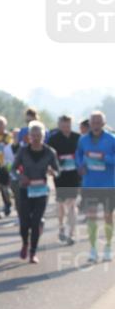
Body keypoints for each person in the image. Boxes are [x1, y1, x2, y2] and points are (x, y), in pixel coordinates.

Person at [12, 121, 60, 264]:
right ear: (29, 137)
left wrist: (53, 172)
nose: (36, 138)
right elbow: (12, 170)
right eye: (33, 135)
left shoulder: (50, 152)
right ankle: (25, 243)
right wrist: (21, 177)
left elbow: (58, 171)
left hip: (41, 190)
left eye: (39, 135)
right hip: (25, 189)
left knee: (36, 222)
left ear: (44, 136)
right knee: (24, 222)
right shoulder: (23, 151)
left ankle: (33, 252)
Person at [76, 111, 115, 263]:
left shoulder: (112, 139)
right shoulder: (83, 140)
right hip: (90, 183)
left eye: (99, 122)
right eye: (93, 122)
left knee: (108, 217)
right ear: (90, 124)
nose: (96, 125)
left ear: (104, 124)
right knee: (91, 217)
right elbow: (78, 155)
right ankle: (93, 249)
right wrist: (80, 166)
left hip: (108, 185)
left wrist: (105, 158)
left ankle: (108, 247)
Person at [47, 115, 81, 245]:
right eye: (63, 126)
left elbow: (83, 154)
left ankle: (71, 234)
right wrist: (49, 168)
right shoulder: (53, 139)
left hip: (74, 175)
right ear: (59, 125)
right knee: (61, 203)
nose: (66, 128)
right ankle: (61, 227)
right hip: (60, 176)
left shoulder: (78, 138)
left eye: (68, 126)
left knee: (72, 203)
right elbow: (48, 156)